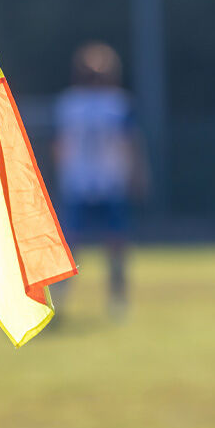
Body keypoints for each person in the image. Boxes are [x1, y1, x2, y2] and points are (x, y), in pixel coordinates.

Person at [51, 42, 149, 319]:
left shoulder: (109, 105)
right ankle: (60, 298)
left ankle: (117, 299)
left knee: (115, 244)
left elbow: (129, 143)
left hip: (105, 181)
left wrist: (135, 174)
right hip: (85, 182)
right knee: (73, 245)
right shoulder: (92, 104)